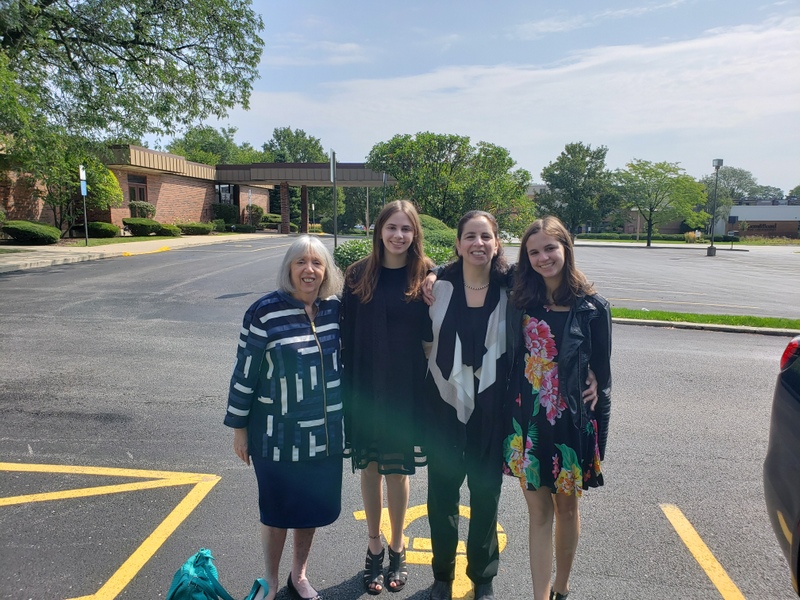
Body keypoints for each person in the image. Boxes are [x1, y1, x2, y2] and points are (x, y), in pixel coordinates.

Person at [224, 235, 345, 600]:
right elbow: (245, 371)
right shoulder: (264, 312)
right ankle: (271, 579)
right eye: (300, 262)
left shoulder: (335, 309)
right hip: (276, 435)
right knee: (276, 511)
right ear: (288, 269)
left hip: (323, 434)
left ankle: (299, 575)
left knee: (309, 512)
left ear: (326, 270)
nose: (309, 270)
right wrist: (239, 428)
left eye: (317, 263)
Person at [502, 216, 612, 600]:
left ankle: (561, 589)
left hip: (570, 424)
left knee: (566, 511)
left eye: (550, 248)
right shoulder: (519, 299)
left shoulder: (593, 307)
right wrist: (433, 275)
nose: (543, 258)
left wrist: (598, 444)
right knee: (538, 514)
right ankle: (541, 595)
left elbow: (603, 380)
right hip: (527, 421)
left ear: (566, 247)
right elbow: (472, 261)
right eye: (533, 252)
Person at [341, 200, 433, 595]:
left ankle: (397, 547)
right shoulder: (358, 275)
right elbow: (344, 334)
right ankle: (374, 546)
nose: (398, 235)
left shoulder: (425, 275)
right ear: (379, 230)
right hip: (364, 387)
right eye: (392, 227)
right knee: (371, 468)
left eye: (406, 229)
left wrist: (436, 273)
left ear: (415, 234)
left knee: (397, 471)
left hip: (405, 391)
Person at [424, 210, 509, 600]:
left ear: (497, 243)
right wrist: (435, 271)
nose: (478, 243)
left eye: (486, 236)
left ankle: (483, 577)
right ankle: (442, 574)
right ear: (458, 244)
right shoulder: (438, 289)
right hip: (442, 406)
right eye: (470, 236)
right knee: (442, 495)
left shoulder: (512, 290)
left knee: (486, 495)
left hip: (493, 409)